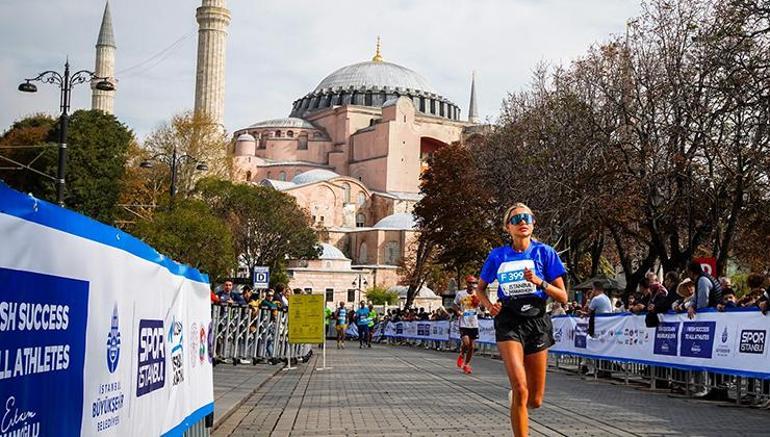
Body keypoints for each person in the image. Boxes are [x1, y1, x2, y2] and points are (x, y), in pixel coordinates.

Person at [476, 203, 568, 437]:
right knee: (520, 387)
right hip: (509, 320)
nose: (522, 222)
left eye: (527, 217)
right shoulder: (498, 255)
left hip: (536, 319)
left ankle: (520, 400)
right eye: (516, 219)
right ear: (508, 227)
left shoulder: (545, 252)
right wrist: (490, 306)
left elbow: (563, 296)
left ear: (533, 222)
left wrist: (540, 282)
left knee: (535, 400)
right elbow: (480, 289)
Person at [453, 275, 481, 374]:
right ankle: (461, 354)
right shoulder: (461, 294)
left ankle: (467, 364)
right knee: (466, 343)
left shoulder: (478, 294)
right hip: (464, 322)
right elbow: (454, 304)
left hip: (474, 323)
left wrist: (479, 304)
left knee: (472, 346)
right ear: (467, 284)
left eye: (474, 283)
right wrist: (458, 311)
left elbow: (482, 308)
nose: (472, 285)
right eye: (470, 283)